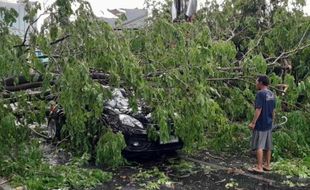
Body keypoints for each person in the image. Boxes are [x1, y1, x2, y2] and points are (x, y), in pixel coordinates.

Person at [248, 75, 276, 174]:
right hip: (268, 123)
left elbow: (258, 109)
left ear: (260, 83)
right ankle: (267, 165)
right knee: (268, 146)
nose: (256, 84)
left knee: (259, 145)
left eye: (256, 82)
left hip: (261, 123)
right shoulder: (271, 94)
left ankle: (259, 167)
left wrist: (253, 122)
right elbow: (273, 110)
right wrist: (272, 121)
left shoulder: (260, 94)